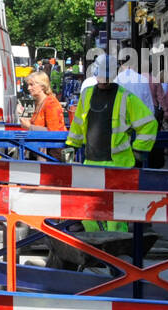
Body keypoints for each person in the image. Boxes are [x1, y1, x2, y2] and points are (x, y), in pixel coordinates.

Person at [66, 75, 158, 231]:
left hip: (117, 164)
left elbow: (149, 124)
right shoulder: (88, 94)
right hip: (95, 162)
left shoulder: (125, 97)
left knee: (114, 213)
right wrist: (72, 145)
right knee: (89, 210)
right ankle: (98, 245)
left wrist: (139, 150)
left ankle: (111, 248)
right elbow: (78, 124)